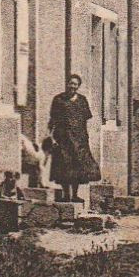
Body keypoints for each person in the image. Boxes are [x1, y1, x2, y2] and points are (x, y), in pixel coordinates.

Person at [47, 74, 100, 204]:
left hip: (79, 139)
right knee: (64, 165)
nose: (73, 86)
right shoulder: (58, 99)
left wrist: (84, 138)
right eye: (71, 83)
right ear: (67, 84)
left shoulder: (82, 100)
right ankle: (66, 195)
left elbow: (85, 119)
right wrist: (52, 137)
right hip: (63, 138)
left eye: (75, 84)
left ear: (78, 86)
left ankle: (75, 195)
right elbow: (53, 119)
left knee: (77, 166)